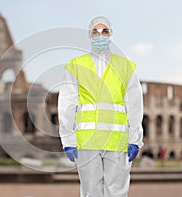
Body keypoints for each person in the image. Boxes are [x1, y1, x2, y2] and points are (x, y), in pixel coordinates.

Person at [58, 16, 144, 197]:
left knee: (117, 192)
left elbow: (135, 104)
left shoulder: (125, 66)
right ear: (90, 35)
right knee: (90, 192)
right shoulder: (76, 65)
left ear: (111, 33)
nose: (100, 35)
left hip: (117, 140)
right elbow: (66, 103)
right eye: (95, 32)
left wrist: (135, 138)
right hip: (87, 141)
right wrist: (68, 139)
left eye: (104, 31)